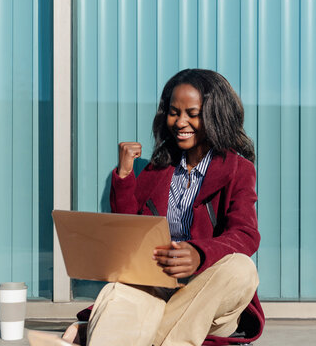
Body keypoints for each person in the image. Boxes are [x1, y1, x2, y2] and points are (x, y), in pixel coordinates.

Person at [72, 69, 264, 346]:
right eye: (174, 112)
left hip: (204, 291)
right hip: (155, 285)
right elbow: (129, 230)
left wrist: (199, 253)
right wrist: (125, 176)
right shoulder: (157, 169)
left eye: (192, 113)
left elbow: (245, 234)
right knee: (119, 291)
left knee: (242, 268)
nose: (180, 122)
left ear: (216, 115)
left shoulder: (238, 169)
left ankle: (97, 331)